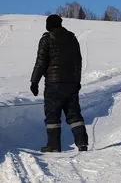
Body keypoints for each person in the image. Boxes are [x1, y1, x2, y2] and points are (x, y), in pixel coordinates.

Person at [30, 14, 88, 152]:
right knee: (74, 114)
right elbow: (78, 63)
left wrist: (34, 81)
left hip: (53, 84)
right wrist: (77, 81)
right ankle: (82, 143)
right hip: (71, 84)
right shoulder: (72, 39)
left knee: (52, 114)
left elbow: (40, 63)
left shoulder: (47, 39)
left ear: (49, 25)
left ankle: (53, 145)